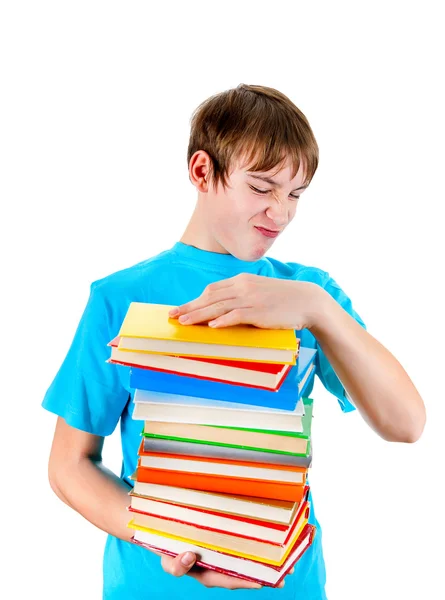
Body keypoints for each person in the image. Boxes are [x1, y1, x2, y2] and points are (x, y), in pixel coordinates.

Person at [42, 83, 426, 600]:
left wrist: (317, 308)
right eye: (263, 187)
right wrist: (160, 538)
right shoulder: (121, 297)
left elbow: (405, 424)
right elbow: (69, 464)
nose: (282, 213)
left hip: (288, 585)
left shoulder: (310, 294)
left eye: (295, 194)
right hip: (152, 586)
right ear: (203, 172)